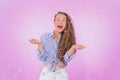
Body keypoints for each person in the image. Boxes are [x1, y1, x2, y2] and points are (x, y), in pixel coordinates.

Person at [29, 11, 85, 80]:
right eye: (58, 19)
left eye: (63, 20)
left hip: (61, 75)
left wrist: (73, 48)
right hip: (46, 73)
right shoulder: (45, 37)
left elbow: (65, 60)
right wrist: (39, 44)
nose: (60, 22)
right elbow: (42, 58)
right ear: (54, 22)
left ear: (66, 24)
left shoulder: (68, 40)